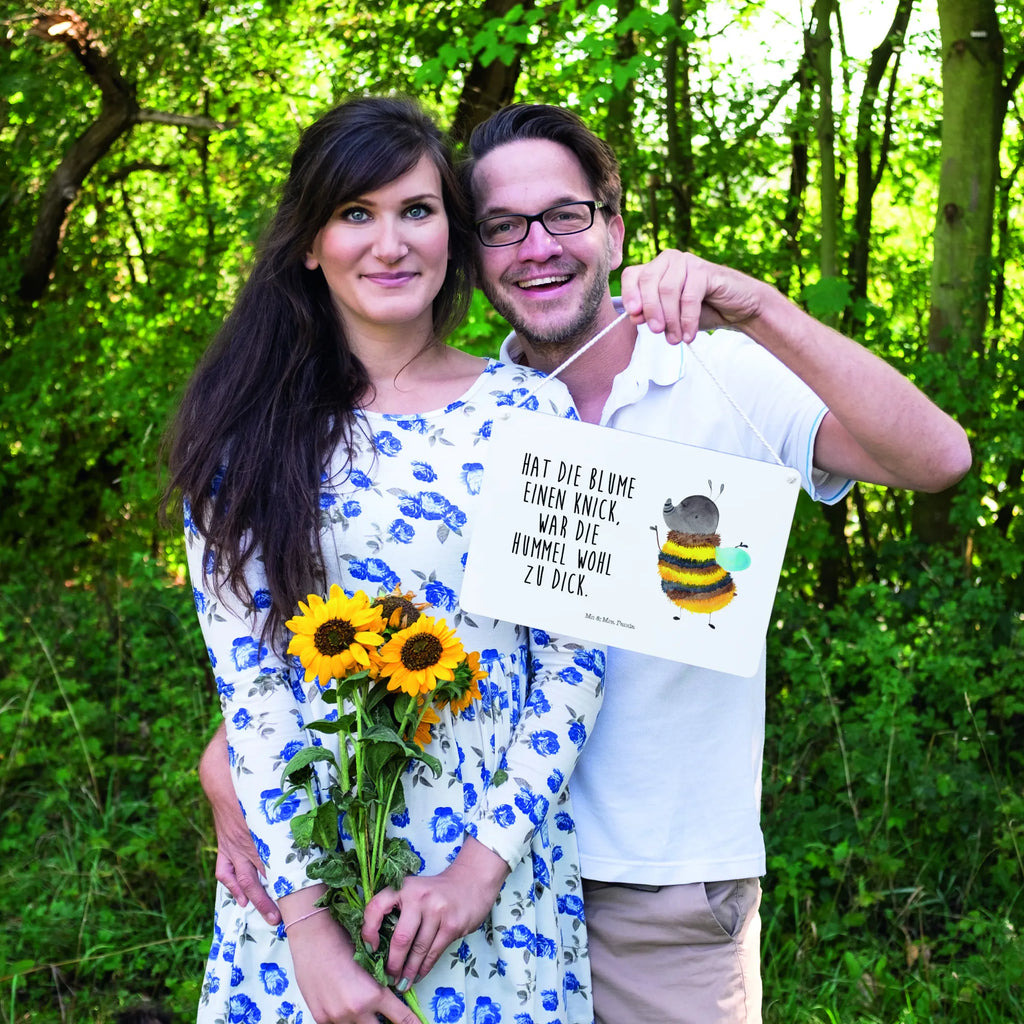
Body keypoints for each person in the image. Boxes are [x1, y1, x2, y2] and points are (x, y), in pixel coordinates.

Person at [201, 102, 972, 1023]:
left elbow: (938, 461)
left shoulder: (714, 372)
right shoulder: (462, 416)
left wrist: (760, 307)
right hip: (422, 875)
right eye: (502, 227)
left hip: (653, 888)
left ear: (612, 225)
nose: (536, 247)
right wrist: (235, 769)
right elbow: (336, 630)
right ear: (474, 251)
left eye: (564, 215)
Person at [165, 97, 606, 1024]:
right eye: (355, 214)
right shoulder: (244, 437)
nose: (390, 242)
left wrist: (478, 873)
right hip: (301, 890)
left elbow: (574, 661)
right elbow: (252, 691)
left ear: (452, 229)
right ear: (309, 243)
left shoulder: (533, 415)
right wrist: (311, 936)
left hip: (493, 889)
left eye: (416, 210)